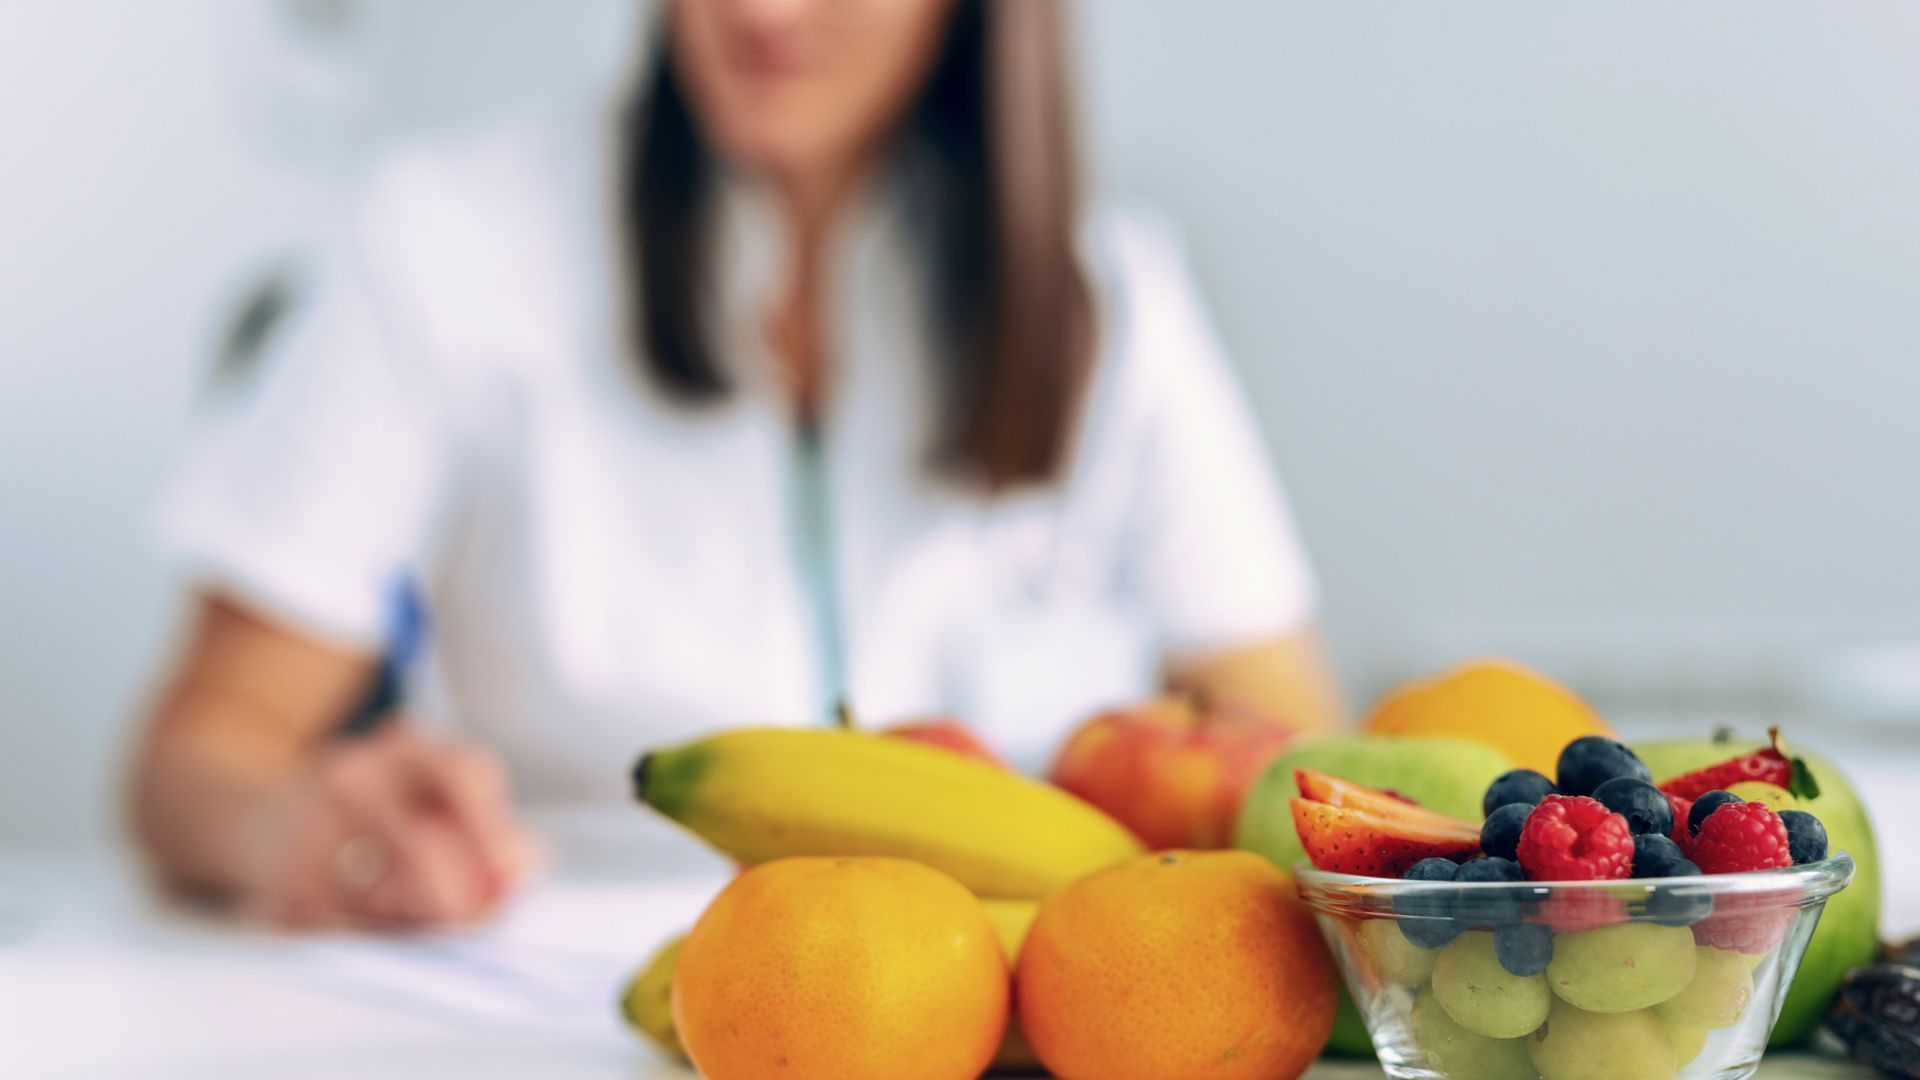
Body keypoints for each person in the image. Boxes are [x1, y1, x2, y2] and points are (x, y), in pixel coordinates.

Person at [131, 0, 1343, 930]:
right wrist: (305, 828)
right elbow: (195, 760)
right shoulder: (443, 237)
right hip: (568, 995)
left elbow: (1300, 766)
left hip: (1030, 1000)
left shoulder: (1116, 300)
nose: (758, 13)